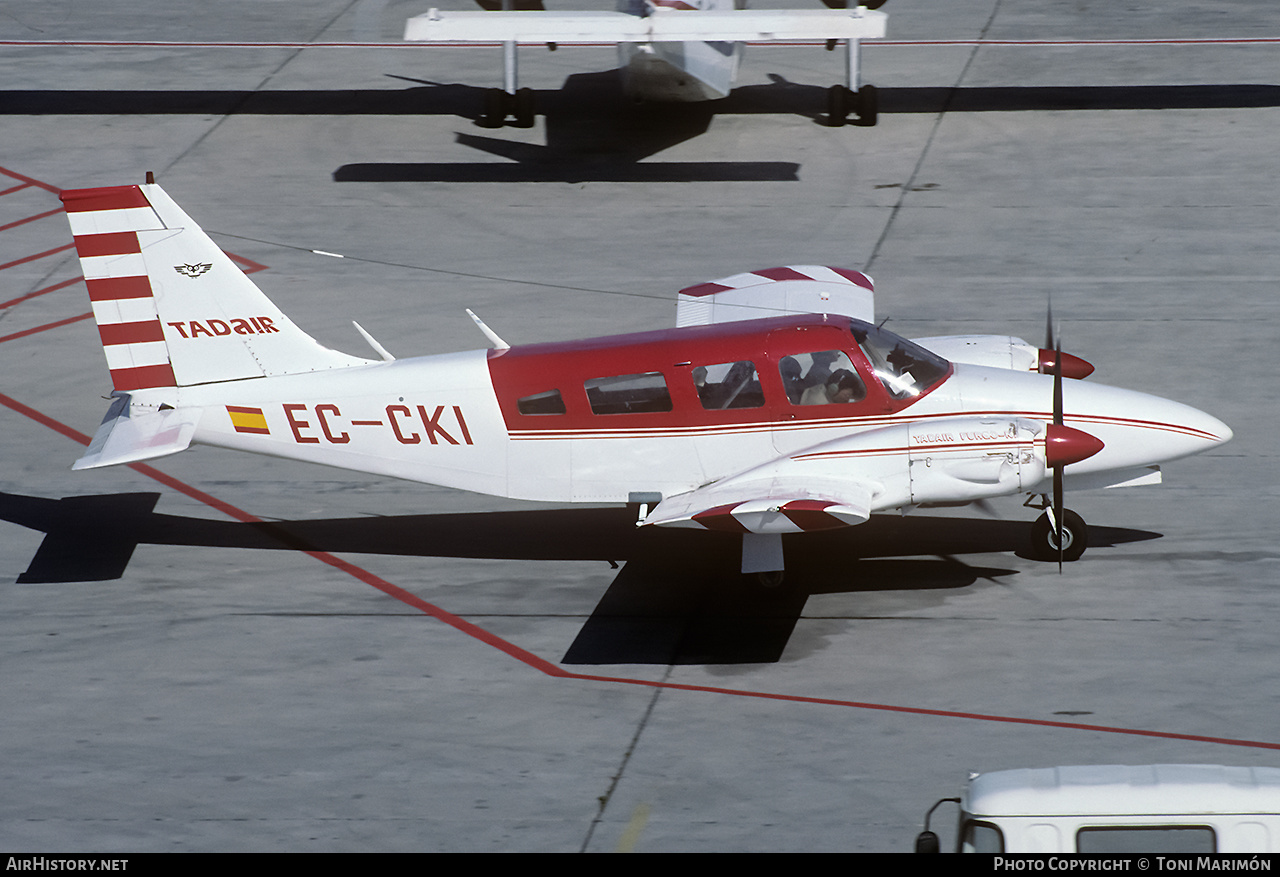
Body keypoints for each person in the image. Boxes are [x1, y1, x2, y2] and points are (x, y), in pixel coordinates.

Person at [800, 368, 864, 405]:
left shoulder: (822, 391)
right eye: (847, 395)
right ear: (834, 389)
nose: (847, 400)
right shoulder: (818, 402)